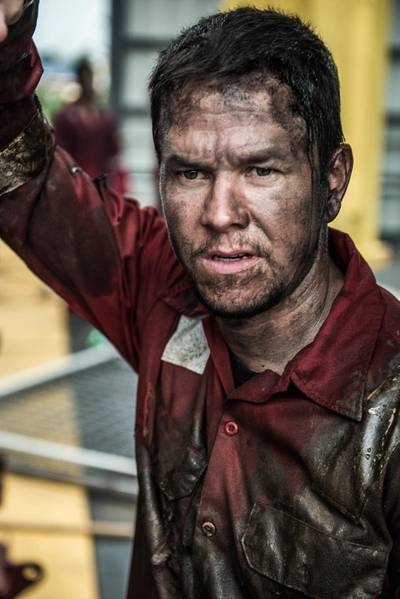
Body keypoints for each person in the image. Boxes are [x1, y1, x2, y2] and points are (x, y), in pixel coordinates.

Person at [0, 2, 399, 598]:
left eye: (261, 170)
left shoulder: (390, 412)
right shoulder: (162, 288)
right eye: (190, 173)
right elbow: (23, 183)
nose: (219, 214)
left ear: (332, 178)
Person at [53, 57, 128, 195]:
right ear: (78, 80)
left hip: (101, 187)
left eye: (90, 77)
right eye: (84, 78)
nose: (88, 83)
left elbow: (114, 153)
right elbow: (60, 156)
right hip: (76, 187)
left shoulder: (105, 117)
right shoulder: (66, 117)